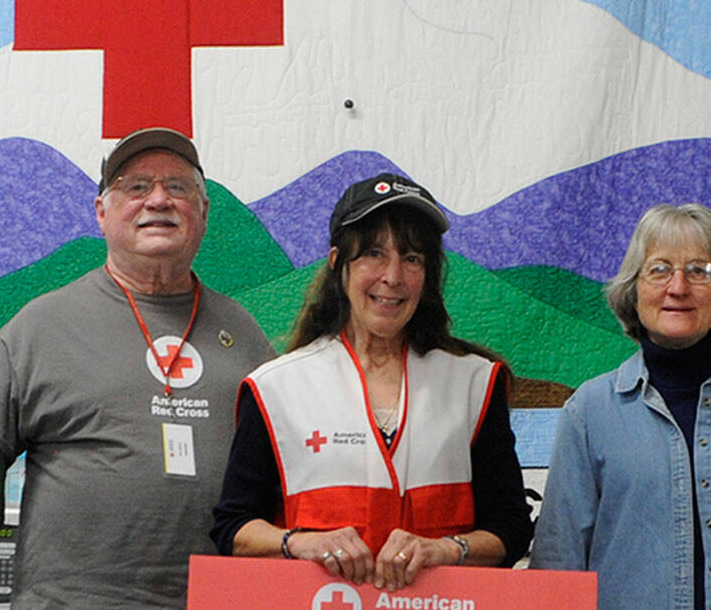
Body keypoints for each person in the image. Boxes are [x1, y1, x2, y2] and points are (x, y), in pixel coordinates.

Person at [0, 127, 276, 609]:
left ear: (204, 213)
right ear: (102, 213)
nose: (159, 200)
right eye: (136, 186)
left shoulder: (247, 335)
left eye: (179, 187)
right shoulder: (38, 329)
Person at [210, 173, 534, 591]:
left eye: (413, 258)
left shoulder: (473, 382)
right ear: (336, 264)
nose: (393, 276)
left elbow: (510, 529)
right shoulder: (277, 388)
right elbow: (232, 529)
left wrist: (447, 550)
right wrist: (301, 543)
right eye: (374, 254)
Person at [530, 203, 711, 609]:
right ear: (633, 290)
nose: (678, 287)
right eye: (659, 269)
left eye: (699, 270)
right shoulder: (589, 412)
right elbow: (558, 568)